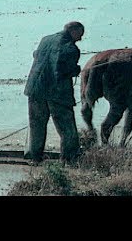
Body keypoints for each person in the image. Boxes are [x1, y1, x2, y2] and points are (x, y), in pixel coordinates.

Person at [23, 21, 85, 164]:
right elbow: (62, 71)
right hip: (57, 93)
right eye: (80, 34)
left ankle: (34, 157)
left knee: (36, 125)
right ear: (73, 31)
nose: (80, 39)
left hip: (34, 89)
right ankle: (69, 159)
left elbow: (36, 54)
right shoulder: (71, 49)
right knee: (66, 128)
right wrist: (76, 70)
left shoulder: (45, 39)